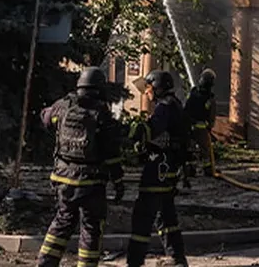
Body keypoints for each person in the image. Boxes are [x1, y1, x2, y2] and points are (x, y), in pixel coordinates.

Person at [36, 66, 124, 267]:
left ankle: (45, 263)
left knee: (63, 221)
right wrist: (118, 182)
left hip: (63, 178)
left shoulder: (62, 106)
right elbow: (112, 154)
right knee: (91, 227)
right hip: (91, 182)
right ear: (100, 88)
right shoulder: (101, 114)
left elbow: (45, 118)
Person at [126, 70, 189, 267]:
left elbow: (152, 130)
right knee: (167, 217)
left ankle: (134, 262)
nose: (147, 93)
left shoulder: (164, 107)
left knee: (143, 217)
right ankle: (177, 259)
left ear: (158, 88)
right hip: (169, 170)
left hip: (157, 171)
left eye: (149, 88)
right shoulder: (175, 104)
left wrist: (132, 131)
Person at [184, 68, 217, 176]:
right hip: (201, 128)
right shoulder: (210, 98)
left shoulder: (192, 92)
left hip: (188, 126)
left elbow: (186, 107)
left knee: (190, 148)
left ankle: (190, 169)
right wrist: (210, 126)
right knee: (205, 149)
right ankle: (208, 169)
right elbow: (211, 115)